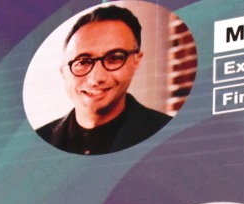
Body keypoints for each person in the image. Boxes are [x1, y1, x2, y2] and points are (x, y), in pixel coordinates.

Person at [36, 4, 172, 155]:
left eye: (114, 58)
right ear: (63, 71)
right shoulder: (34, 145)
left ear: (136, 61)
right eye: (83, 62)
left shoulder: (171, 136)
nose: (96, 78)